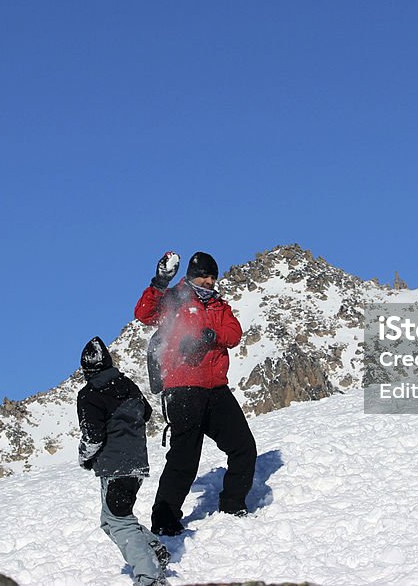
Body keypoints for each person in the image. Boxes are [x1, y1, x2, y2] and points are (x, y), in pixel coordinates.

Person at [135, 251, 257, 537]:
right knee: (184, 458)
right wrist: (159, 283)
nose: (209, 281)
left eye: (213, 277)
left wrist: (211, 334)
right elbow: (144, 314)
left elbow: (234, 333)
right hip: (183, 388)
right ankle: (164, 520)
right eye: (204, 275)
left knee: (243, 447)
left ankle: (232, 506)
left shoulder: (218, 305)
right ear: (191, 275)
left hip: (215, 388)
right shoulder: (174, 299)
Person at [77, 336, 170, 586]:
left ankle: (149, 577)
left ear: (86, 369)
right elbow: (147, 413)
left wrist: (85, 457)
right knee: (111, 520)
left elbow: (93, 436)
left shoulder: (89, 394)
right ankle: (154, 549)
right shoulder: (127, 384)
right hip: (137, 463)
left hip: (114, 467)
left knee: (118, 522)